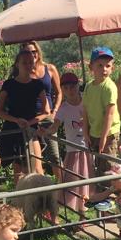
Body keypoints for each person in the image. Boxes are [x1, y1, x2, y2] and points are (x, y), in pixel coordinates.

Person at [0, 48, 50, 183]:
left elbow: (46, 111)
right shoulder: (9, 84)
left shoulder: (37, 84)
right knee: (19, 172)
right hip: (13, 130)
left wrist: (29, 122)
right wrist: (16, 120)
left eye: (30, 62)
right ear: (17, 64)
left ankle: (40, 200)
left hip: (31, 130)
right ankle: (21, 202)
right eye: (24, 62)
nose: (28, 65)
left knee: (37, 168)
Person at [43, 71, 90, 215]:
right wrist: (43, 132)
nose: (70, 91)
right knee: (73, 184)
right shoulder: (63, 108)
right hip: (73, 150)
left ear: (78, 86)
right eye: (66, 88)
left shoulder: (86, 102)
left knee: (87, 184)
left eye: (73, 87)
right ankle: (77, 214)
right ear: (62, 90)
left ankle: (87, 215)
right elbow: (55, 127)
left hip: (87, 148)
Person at [20, 41, 63, 177]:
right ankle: (41, 191)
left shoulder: (49, 69)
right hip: (30, 119)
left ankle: (64, 192)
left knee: (54, 157)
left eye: (34, 52)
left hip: (48, 118)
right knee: (33, 160)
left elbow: (59, 92)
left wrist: (55, 110)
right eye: (28, 53)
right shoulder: (23, 71)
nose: (32, 55)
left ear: (38, 52)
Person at [83, 46, 121, 174]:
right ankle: (100, 191)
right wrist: (85, 132)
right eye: (100, 65)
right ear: (91, 67)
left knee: (108, 167)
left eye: (107, 66)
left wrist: (104, 138)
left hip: (109, 133)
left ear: (112, 68)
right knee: (96, 166)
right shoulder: (89, 86)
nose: (104, 69)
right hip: (95, 132)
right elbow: (85, 111)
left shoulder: (109, 87)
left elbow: (109, 114)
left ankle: (110, 192)